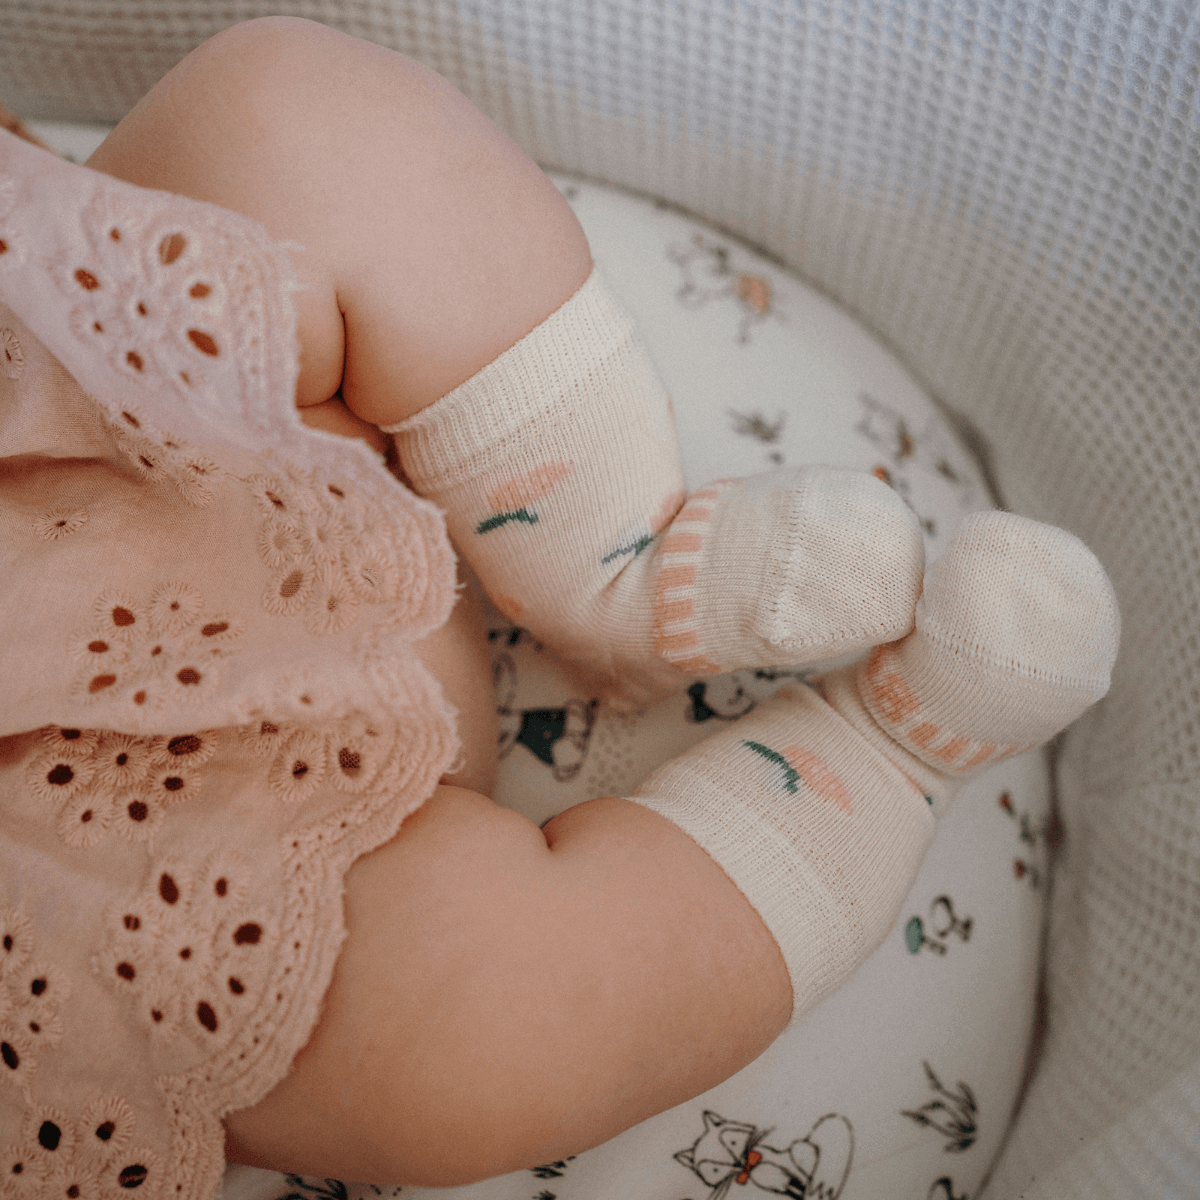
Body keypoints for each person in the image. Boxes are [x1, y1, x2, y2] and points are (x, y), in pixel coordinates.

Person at [0, 16, 1118, 1194]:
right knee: (463, 1038)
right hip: (129, 889)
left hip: (110, 415)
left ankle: (619, 569)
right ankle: (885, 751)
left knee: (284, 120)